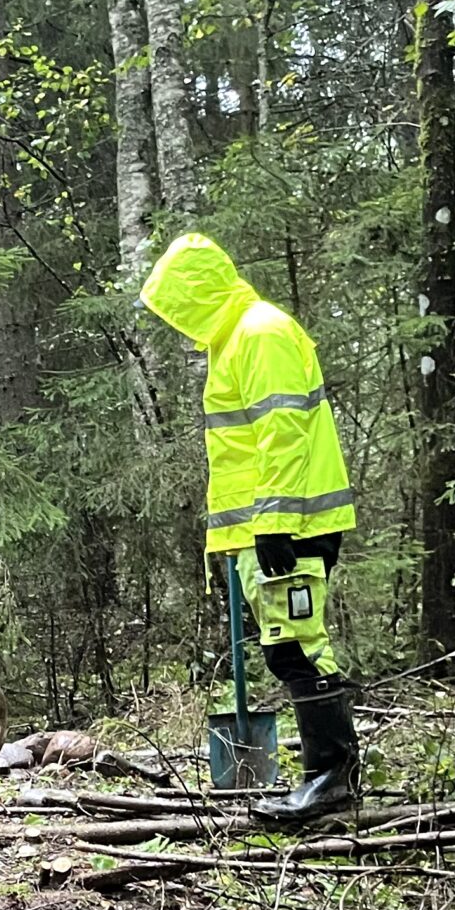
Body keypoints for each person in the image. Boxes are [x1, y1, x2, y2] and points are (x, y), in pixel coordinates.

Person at [141, 233, 359, 822]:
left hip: (291, 526)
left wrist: (274, 523)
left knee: (299, 647)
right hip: (267, 529)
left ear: (196, 293)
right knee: (288, 646)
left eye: (176, 305)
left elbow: (283, 434)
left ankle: (332, 783)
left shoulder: (259, 333)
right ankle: (327, 780)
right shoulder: (236, 338)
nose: (175, 321)